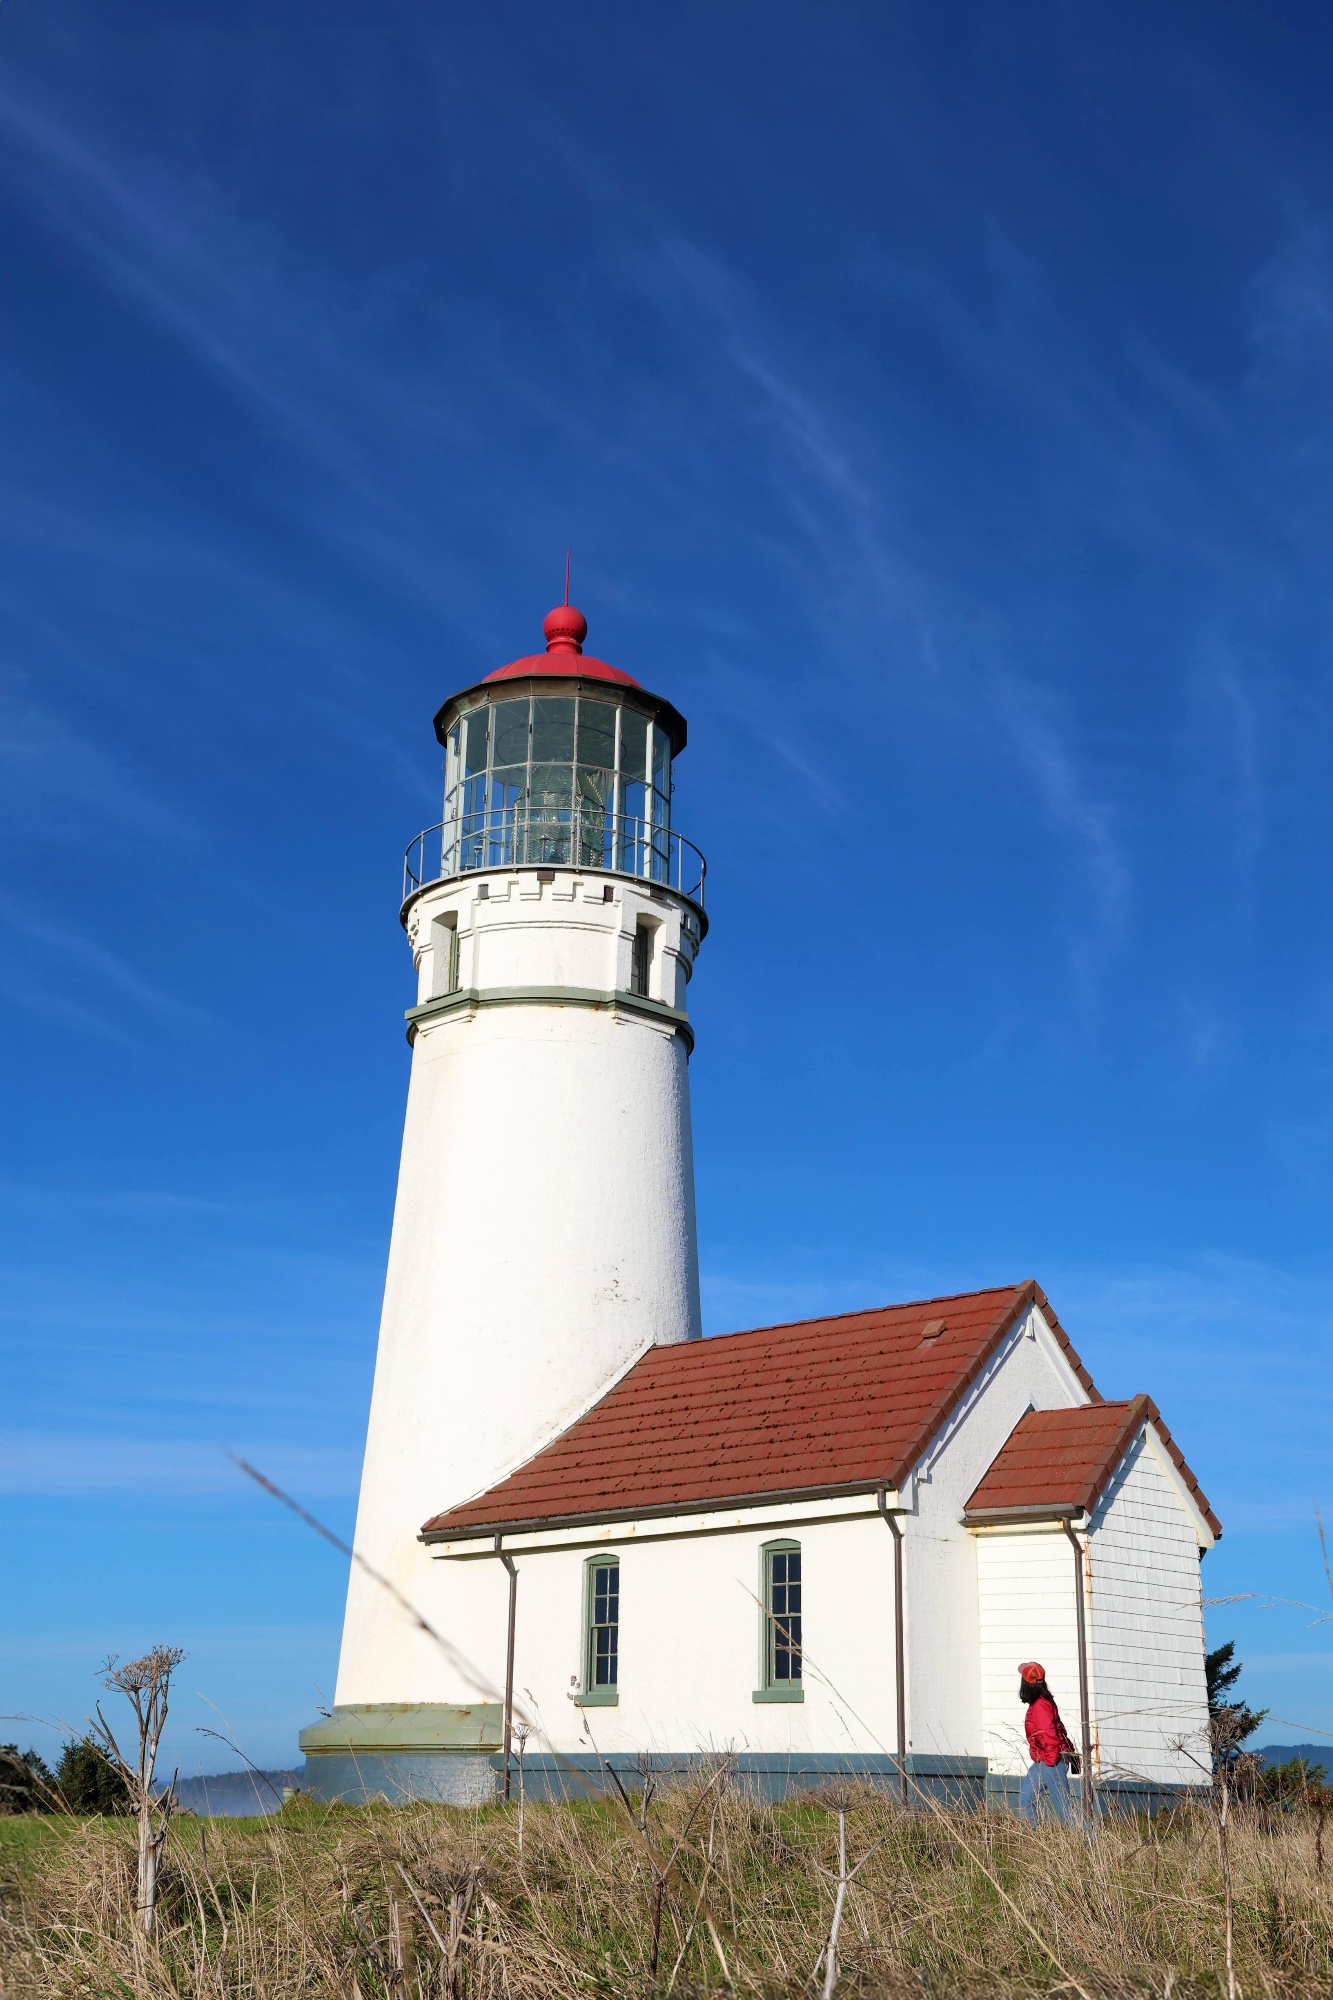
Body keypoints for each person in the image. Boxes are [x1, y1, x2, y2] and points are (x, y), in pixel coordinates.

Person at [1017, 1660, 1080, 1824]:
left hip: (1051, 1760)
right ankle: (1033, 1840)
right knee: (1025, 1800)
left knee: (1065, 1808)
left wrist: (1050, 1762)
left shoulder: (1040, 1705)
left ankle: (1090, 1842)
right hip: (1044, 1760)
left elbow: (1050, 1736)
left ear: (1027, 1684)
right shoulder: (1041, 1702)